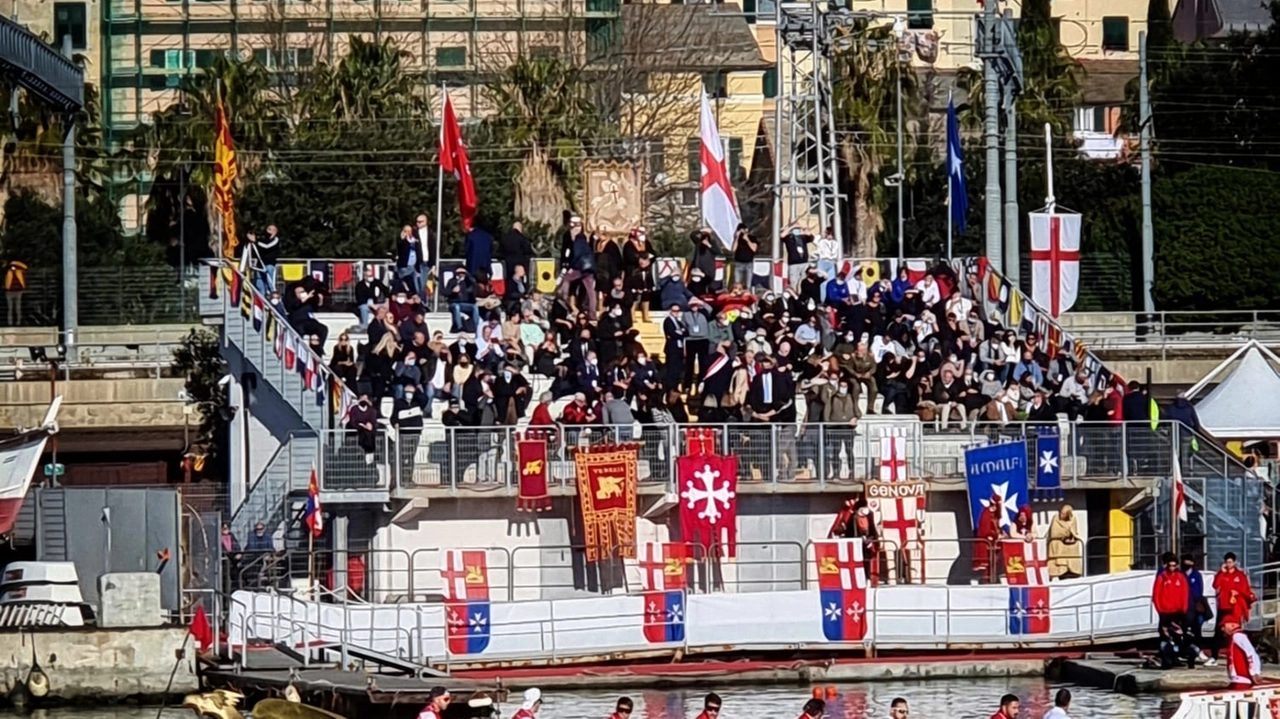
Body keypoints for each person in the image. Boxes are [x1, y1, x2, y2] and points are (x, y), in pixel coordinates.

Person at [1210, 552, 1257, 666]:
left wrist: (1238, 593)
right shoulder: (1223, 574)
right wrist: (1221, 572)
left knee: (1235, 632)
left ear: (1234, 562)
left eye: (1230, 562)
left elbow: (1246, 591)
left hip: (1235, 608)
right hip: (1223, 606)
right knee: (1218, 632)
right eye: (1227, 562)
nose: (1229, 564)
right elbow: (1215, 585)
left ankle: (1237, 655)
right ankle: (1214, 657)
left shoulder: (1240, 575)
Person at [1047, 505, 1082, 580]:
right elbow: (1054, 533)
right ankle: (1060, 570)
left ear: (1068, 514)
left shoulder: (1073, 519)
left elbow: (1074, 531)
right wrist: (1063, 536)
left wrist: (1072, 538)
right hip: (1058, 540)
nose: (1061, 515)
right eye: (1061, 513)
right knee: (1058, 545)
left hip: (1068, 540)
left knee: (1076, 545)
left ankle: (1072, 570)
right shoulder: (1056, 518)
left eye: (1063, 514)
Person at [1224, 621, 1263, 690]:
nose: (1222, 629)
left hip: (1242, 678)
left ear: (1233, 625)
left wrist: (1254, 672)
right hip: (1236, 679)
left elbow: (1251, 653)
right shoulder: (1233, 637)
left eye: (1224, 626)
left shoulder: (1238, 636)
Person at [973, 496, 1002, 581]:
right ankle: (986, 580)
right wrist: (996, 535)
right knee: (987, 564)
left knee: (994, 562)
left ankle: (993, 578)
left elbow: (996, 527)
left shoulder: (995, 515)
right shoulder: (986, 514)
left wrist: (1000, 533)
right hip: (986, 543)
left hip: (994, 544)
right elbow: (985, 530)